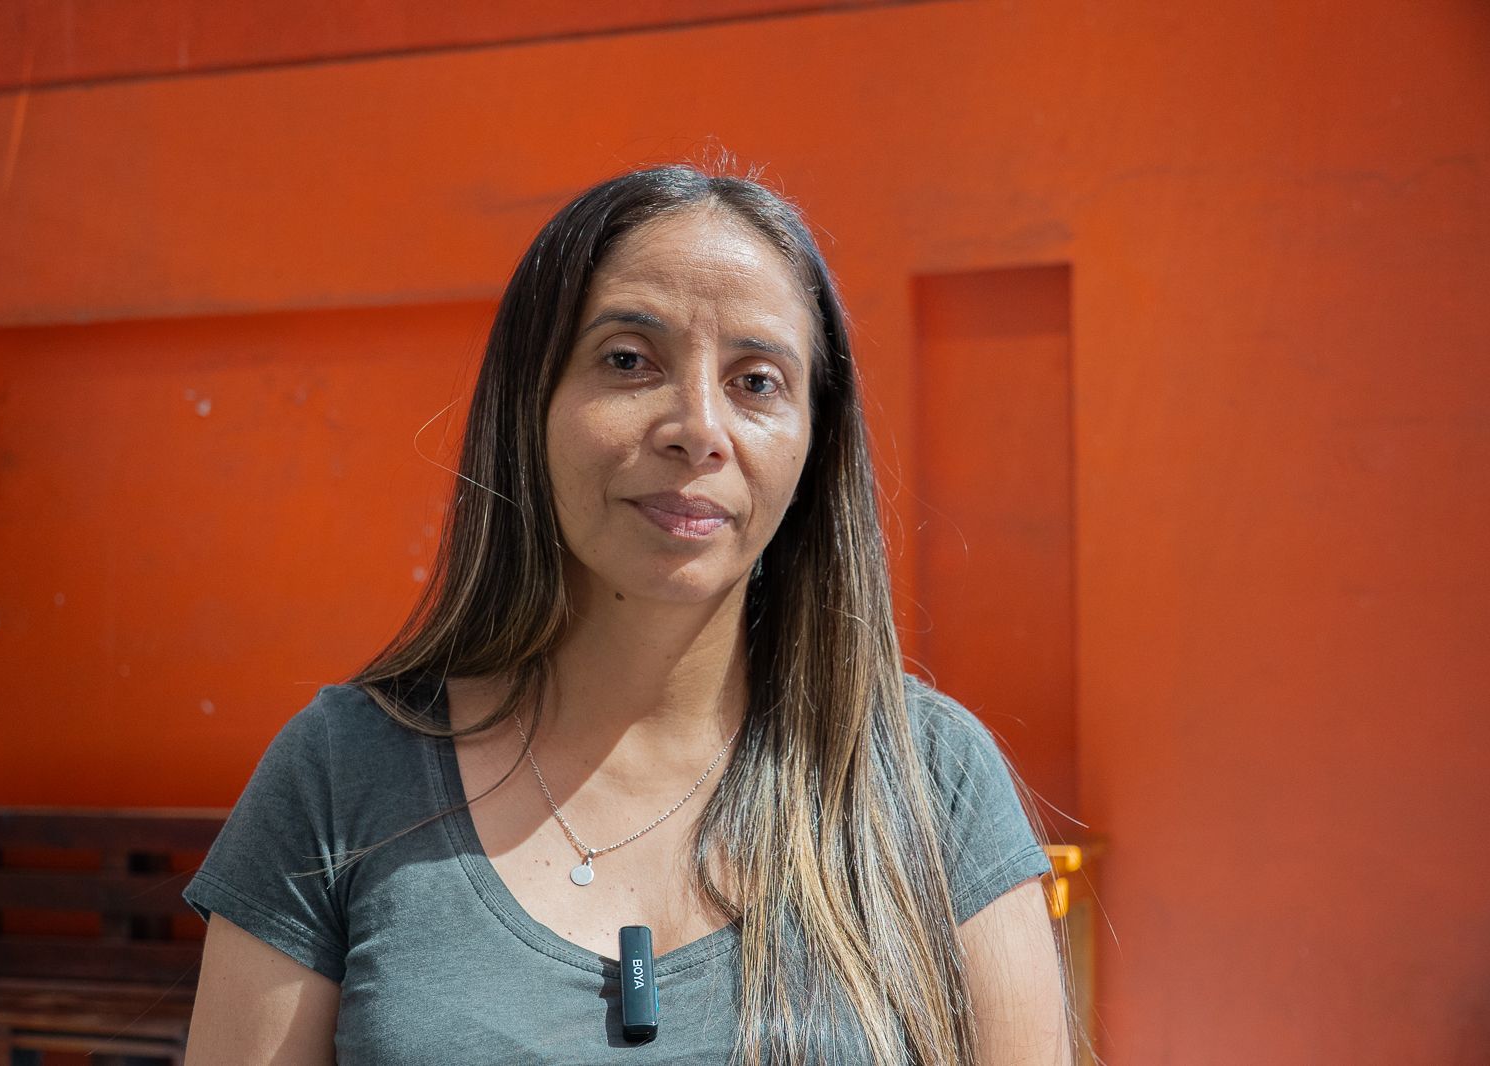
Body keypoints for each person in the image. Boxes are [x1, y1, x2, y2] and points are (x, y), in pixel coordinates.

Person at [181, 164, 1071, 1064]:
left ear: (815, 441)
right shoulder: (342, 773)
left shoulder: (928, 780)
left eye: (757, 380)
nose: (699, 428)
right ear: (528, 404)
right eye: (627, 360)